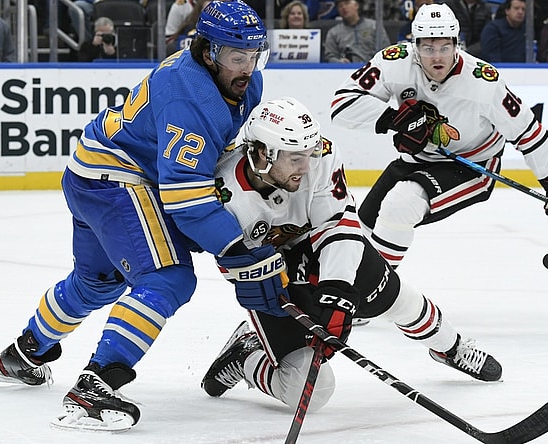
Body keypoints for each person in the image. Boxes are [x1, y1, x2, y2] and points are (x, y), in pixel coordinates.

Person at [0, 1, 276, 432]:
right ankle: (95, 386)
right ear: (209, 52)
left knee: (96, 282)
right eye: (236, 57)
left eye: (254, 56)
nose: (247, 68)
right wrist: (235, 246)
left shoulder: (234, 80)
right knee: (168, 278)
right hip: (115, 180)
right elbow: (186, 200)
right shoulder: (190, 98)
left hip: (89, 173)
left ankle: (22, 354)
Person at [200, 97, 502, 413]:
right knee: (309, 392)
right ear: (263, 153)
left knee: (401, 301)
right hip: (270, 273)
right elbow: (231, 259)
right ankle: (246, 356)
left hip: (319, 244)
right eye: (295, 158)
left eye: (308, 154)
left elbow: (336, 225)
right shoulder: (222, 192)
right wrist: (271, 285)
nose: (307, 166)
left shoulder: (321, 155)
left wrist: (337, 290)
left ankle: (451, 348)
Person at [330, 3, 548, 269]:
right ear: (414, 46)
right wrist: (394, 119)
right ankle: (359, 285)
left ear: (456, 44)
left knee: (398, 206)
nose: (437, 57)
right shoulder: (394, 62)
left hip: (471, 165)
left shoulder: (483, 82)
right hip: (416, 159)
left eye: (445, 47)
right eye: (428, 48)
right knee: (360, 231)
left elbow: (527, 131)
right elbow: (342, 105)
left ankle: (379, 287)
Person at [324, 0, 391, 63]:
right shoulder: (334, 32)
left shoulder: (374, 26)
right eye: (340, 6)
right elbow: (330, 56)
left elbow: (386, 49)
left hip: (373, 67)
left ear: (356, 5)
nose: (343, 7)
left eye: (347, 3)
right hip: (346, 69)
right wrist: (339, 62)